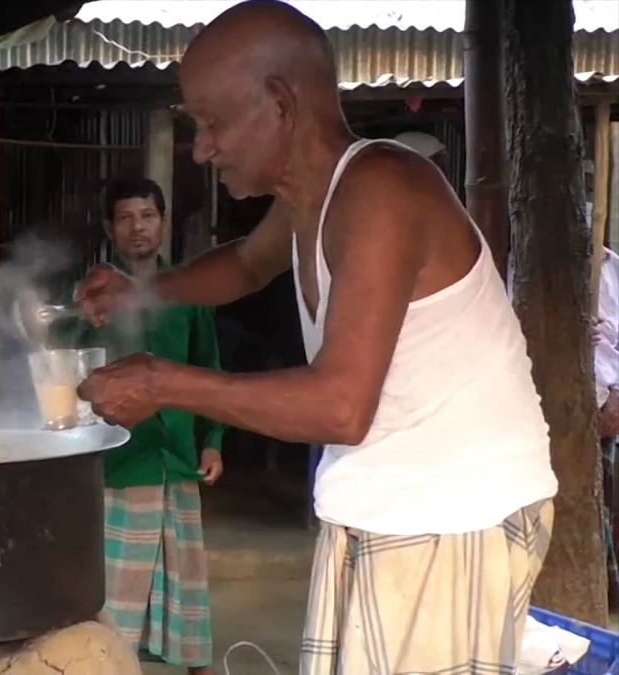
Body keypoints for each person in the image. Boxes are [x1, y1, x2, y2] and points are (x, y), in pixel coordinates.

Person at [72, 1, 558, 672]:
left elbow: (340, 407)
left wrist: (161, 381)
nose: (202, 148)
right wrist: (139, 290)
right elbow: (246, 263)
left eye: (212, 123)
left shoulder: (382, 188)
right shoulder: (314, 196)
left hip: (450, 515)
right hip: (386, 502)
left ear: (278, 102)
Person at [48, 177, 224, 675]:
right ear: (110, 228)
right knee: (117, 597)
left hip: (178, 458)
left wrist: (213, 442)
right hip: (122, 462)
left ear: (163, 223)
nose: (137, 227)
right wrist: (72, 322)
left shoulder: (190, 294)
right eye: (125, 218)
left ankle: (197, 667)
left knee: (186, 583)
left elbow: (209, 368)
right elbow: (58, 365)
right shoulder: (89, 297)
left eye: (147, 215)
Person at [592, 243, 619, 600]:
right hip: (542, 400)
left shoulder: (611, 269)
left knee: (603, 495)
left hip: (604, 399)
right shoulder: (509, 259)